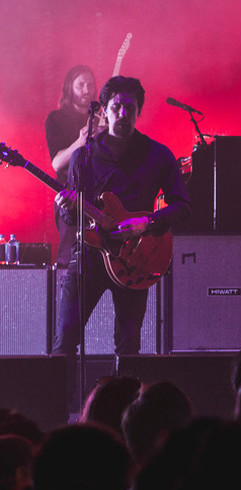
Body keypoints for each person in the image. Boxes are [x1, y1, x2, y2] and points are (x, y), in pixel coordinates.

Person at [53, 75, 190, 362]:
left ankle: (124, 392)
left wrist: (146, 224)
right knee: (64, 341)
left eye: (130, 107)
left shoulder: (158, 155)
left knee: (128, 346)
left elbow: (182, 207)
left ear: (139, 111)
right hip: (89, 257)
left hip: (135, 258)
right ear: (104, 110)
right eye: (116, 107)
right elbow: (72, 218)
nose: (123, 113)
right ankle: (59, 394)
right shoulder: (83, 156)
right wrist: (66, 207)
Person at [45, 65, 101, 266]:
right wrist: (80, 142)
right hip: (69, 195)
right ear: (70, 87)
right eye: (81, 85)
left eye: (90, 84)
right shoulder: (56, 118)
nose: (87, 90)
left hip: (99, 195)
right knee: (70, 256)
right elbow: (57, 163)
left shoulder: (101, 118)